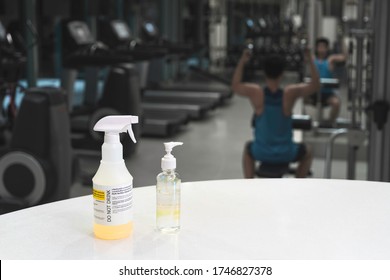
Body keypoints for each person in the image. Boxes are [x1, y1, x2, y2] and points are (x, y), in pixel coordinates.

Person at [231, 48, 320, 178]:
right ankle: (299, 183)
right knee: (309, 151)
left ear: (264, 72)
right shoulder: (290, 93)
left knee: (248, 149)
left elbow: (235, 85)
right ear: (282, 73)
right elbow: (315, 85)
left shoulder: (256, 92)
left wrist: (242, 61)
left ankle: (248, 186)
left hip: (261, 152)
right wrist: (310, 60)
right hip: (286, 153)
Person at [312, 37, 346, 125]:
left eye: (324, 47)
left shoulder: (330, 60)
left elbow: (344, 57)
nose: (321, 49)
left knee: (336, 103)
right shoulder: (312, 59)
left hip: (327, 94)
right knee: (301, 97)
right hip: (313, 92)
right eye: (319, 46)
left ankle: (329, 123)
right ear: (316, 48)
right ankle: (306, 122)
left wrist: (343, 41)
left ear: (327, 48)